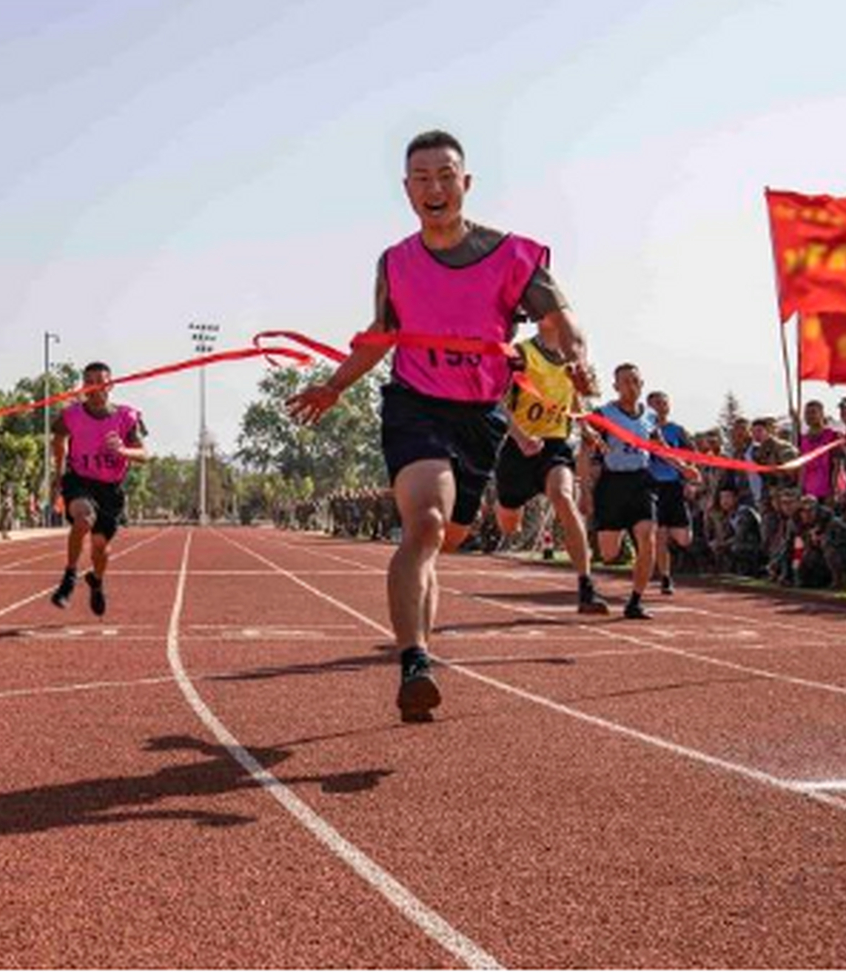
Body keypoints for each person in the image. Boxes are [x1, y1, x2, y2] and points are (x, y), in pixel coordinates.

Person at [289, 131, 594, 723]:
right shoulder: (395, 262)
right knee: (423, 524)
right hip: (415, 404)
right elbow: (379, 335)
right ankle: (414, 661)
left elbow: (562, 320)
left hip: (480, 415)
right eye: (421, 179)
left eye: (445, 176)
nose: (434, 188)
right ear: (407, 190)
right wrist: (335, 385)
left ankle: (419, 642)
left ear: (466, 182)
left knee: (448, 537)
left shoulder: (514, 255)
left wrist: (577, 357)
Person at [493, 332, 605, 613]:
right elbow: (499, 399)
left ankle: (586, 587)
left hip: (555, 444)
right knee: (509, 526)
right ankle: (504, 504)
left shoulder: (572, 358)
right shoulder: (522, 352)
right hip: (518, 447)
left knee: (563, 497)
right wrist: (520, 437)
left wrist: (585, 427)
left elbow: (573, 397)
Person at [590, 365, 694, 619]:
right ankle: (593, 578)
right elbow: (588, 446)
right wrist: (586, 487)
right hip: (612, 483)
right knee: (609, 553)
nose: (631, 386)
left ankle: (635, 602)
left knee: (647, 537)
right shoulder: (603, 413)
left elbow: (660, 447)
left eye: (635, 381)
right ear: (615, 386)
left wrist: (683, 468)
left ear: (641, 384)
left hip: (641, 481)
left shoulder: (649, 416)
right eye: (625, 382)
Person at [49, 362, 149, 616]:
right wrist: (58, 472)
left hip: (110, 489)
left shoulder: (126, 417)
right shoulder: (70, 415)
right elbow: (58, 439)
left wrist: (122, 450)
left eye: (100, 381)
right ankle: (70, 576)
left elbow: (145, 454)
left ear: (110, 385)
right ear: (84, 387)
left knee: (100, 547)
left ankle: (96, 581)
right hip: (79, 480)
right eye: (89, 381)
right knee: (83, 518)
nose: (94, 387)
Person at [645, 389, 697, 592]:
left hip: (675, 485)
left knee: (684, 539)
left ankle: (671, 557)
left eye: (663, 403)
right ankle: (665, 577)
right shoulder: (643, 429)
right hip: (653, 486)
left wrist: (690, 482)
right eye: (655, 403)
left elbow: (692, 457)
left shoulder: (677, 430)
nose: (659, 407)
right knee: (660, 534)